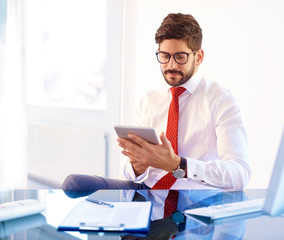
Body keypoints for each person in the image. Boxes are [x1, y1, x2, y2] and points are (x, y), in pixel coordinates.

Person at [62, 13, 250, 197]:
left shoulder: (221, 101)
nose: (171, 65)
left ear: (198, 57)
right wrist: (137, 166)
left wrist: (178, 165)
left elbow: (240, 173)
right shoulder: (148, 101)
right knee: (74, 185)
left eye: (180, 57)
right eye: (164, 56)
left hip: (196, 202)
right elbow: (130, 173)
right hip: (149, 195)